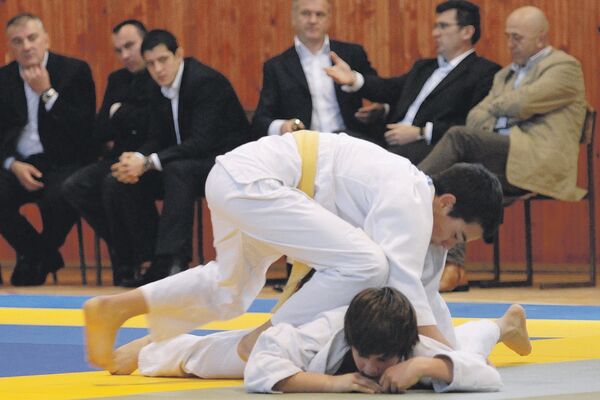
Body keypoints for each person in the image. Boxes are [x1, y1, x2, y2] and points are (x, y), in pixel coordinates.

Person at [84, 130, 503, 373]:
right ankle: (267, 338)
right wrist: (453, 362)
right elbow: (406, 293)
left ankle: (117, 308)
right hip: (260, 183)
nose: (450, 246)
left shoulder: (418, 208)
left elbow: (427, 298)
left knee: (229, 289)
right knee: (367, 265)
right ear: (446, 202)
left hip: (239, 179)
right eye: (458, 235)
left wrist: (451, 351)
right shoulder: (411, 199)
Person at [417, 5, 587, 292]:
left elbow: (523, 102)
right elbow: (475, 116)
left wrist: (501, 109)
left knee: (460, 138)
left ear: (541, 38)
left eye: (517, 38)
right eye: (508, 36)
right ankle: (453, 266)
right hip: (503, 156)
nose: (510, 44)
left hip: (538, 160)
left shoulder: (564, 67)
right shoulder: (505, 75)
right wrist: (512, 111)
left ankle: (411, 187)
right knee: (463, 171)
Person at [110, 287, 531, 394]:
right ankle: (153, 349)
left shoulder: (412, 347)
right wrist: (332, 383)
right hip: (294, 339)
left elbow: (485, 376)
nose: (370, 368)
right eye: (363, 357)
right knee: (213, 362)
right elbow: (262, 364)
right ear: (351, 341)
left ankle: (503, 324)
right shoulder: (326, 332)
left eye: (382, 360)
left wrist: (424, 366)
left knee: (462, 354)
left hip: (407, 324)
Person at [104, 29, 251, 287]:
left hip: (225, 162)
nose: (158, 69)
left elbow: (202, 142)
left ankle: (173, 262)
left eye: (163, 60)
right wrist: (137, 158)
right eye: (150, 64)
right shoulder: (156, 86)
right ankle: (150, 260)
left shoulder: (206, 82)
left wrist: (148, 162)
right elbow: (157, 137)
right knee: (121, 179)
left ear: (179, 54)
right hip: (184, 162)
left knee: (177, 171)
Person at [326, 0, 500, 164]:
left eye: (443, 26)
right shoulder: (423, 67)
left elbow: (472, 125)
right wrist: (354, 79)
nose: (435, 33)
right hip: (389, 141)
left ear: (467, 32)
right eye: (435, 26)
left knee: (381, 160)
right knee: (337, 141)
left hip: (431, 149)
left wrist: (422, 132)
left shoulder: (484, 72)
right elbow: (390, 89)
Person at [0, 13, 96, 286]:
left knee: (65, 192)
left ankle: (36, 258)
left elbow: (84, 129)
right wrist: (12, 164)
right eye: (18, 41)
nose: (26, 46)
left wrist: (47, 92)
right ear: (10, 47)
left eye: (32, 38)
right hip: (20, 162)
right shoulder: (4, 79)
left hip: (64, 162)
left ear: (46, 40)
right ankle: (41, 254)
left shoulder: (74, 71)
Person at [62, 20, 154, 285]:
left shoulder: (160, 74)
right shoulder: (117, 79)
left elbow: (153, 124)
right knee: (75, 186)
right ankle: (123, 247)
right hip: (120, 157)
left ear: (146, 42)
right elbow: (101, 129)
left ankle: (140, 257)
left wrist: (121, 112)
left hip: (154, 157)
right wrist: (122, 117)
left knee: (113, 183)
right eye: (119, 50)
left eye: (130, 46)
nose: (125, 55)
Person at [250, 0, 378, 140]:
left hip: (350, 141)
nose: (312, 20)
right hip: (303, 145)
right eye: (306, 13)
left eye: (319, 14)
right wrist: (282, 127)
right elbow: (260, 120)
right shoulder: (276, 66)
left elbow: (379, 90)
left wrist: (380, 108)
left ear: (329, 19)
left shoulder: (352, 54)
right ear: (293, 18)